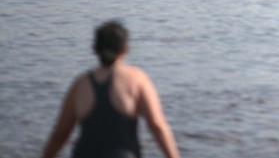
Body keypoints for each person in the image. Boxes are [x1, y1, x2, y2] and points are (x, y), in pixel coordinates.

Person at [41, 21, 181, 158]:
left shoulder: (80, 84)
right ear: (125, 49)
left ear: (95, 49)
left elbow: (60, 133)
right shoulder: (136, 79)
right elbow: (157, 125)